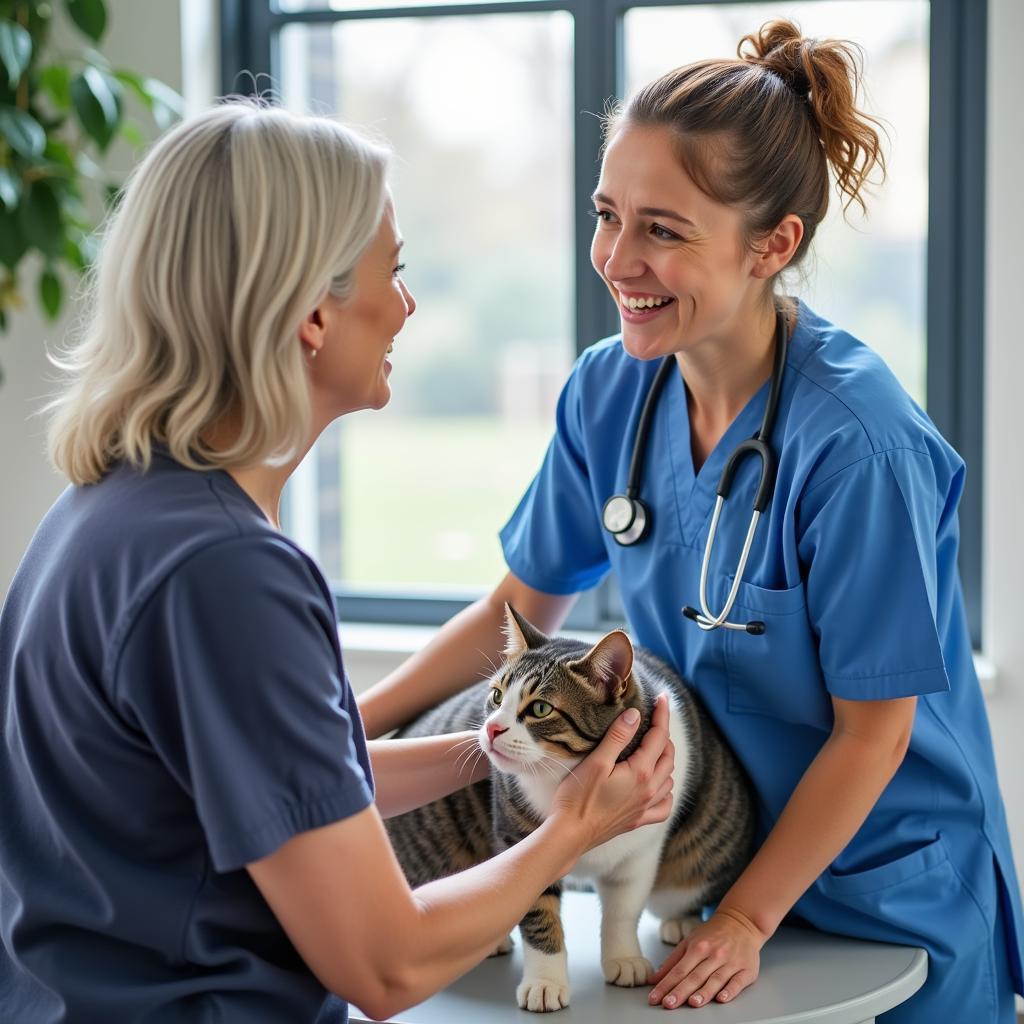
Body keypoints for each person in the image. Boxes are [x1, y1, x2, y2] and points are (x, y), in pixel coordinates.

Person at [357, 20, 1024, 1022]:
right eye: (605, 214)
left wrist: (749, 918)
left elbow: (872, 735)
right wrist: (341, 730)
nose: (616, 259)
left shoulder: (860, 448)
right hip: (711, 864)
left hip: (882, 888)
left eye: (662, 230)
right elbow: (518, 602)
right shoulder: (607, 393)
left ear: (774, 244)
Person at [0, 100, 676, 1024]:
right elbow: (385, 965)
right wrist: (575, 828)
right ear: (313, 314)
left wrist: (498, 758)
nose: (407, 304)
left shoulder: (110, 509)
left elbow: (287, 777)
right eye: (392, 273)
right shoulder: (226, 573)